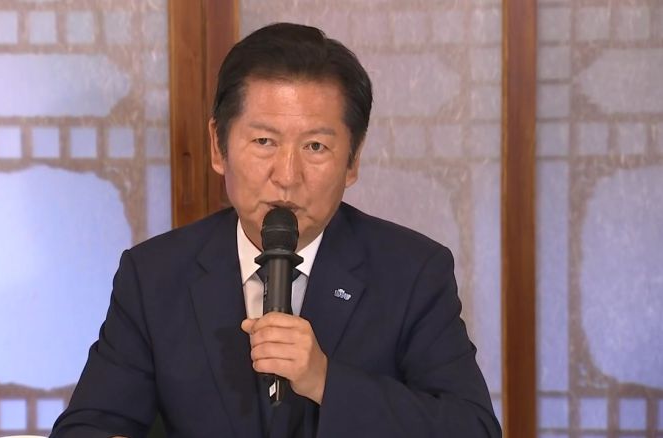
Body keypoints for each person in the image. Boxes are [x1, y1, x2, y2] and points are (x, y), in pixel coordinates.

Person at [51, 23, 501, 437]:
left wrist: (326, 381)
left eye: (315, 146)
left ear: (352, 161)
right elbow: (86, 428)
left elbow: (473, 428)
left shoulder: (412, 271)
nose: (287, 175)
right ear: (218, 147)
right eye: (264, 141)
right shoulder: (154, 275)